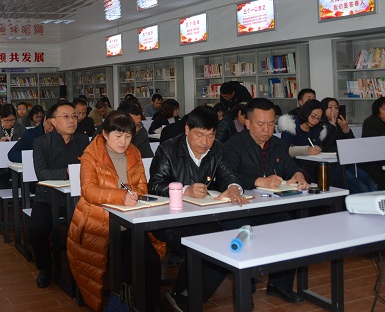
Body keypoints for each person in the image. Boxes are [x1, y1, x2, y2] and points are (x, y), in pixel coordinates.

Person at [148, 107, 248, 309]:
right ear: (187, 130)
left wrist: (233, 187)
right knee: (201, 248)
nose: (205, 142)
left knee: (225, 249)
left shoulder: (218, 149)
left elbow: (228, 174)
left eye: (210, 136)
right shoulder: (168, 149)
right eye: (199, 135)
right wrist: (185, 190)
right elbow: (155, 187)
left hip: (204, 217)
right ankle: (185, 298)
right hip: (171, 220)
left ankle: (185, 297)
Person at [67, 110, 165, 312]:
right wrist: (121, 196)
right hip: (100, 221)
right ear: (105, 134)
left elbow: (142, 187)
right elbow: (89, 190)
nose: (123, 142)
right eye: (118, 136)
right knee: (129, 263)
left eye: (128, 136)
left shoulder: (134, 152)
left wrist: (135, 195)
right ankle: (126, 305)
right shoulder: (91, 155)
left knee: (151, 261)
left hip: (132, 220)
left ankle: (151, 306)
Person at [224, 98, 309, 304]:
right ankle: (246, 291)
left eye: (271, 124)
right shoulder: (233, 145)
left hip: (270, 207)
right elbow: (227, 176)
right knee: (243, 236)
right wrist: (257, 181)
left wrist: (298, 174)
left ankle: (279, 285)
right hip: (241, 208)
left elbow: (290, 167)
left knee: (290, 228)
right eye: (260, 124)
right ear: (247, 123)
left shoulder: (278, 145)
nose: (266, 129)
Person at [30, 101, 89, 288]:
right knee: (37, 229)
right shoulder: (41, 143)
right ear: (53, 121)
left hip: (77, 197)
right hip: (47, 196)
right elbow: (41, 173)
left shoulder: (83, 141)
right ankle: (45, 267)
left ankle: (84, 268)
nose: (72, 120)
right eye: (66, 116)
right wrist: (67, 172)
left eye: (74, 116)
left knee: (90, 228)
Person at [320, 98, 377, 193]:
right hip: (333, 166)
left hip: (347, 163)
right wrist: (332, 125)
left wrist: (346, 129)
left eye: (336, 107)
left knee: (371, 184)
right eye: (330, 108)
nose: (334, 110)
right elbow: (325, 144)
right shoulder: (320, 125)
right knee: (361, 188)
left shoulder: (340, 124)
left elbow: (351, 143)